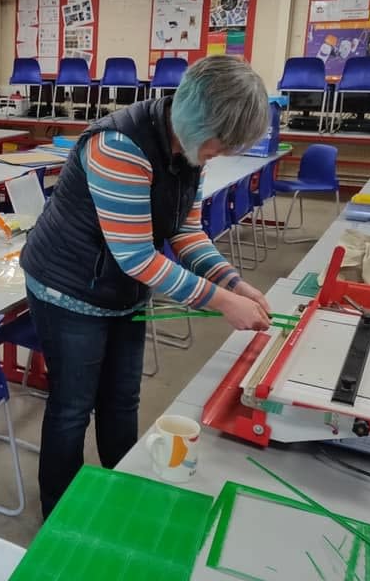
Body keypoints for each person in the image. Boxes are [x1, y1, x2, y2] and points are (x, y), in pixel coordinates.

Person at [19, 55, 273, 518]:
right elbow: (137, 257)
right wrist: (223, 303)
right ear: (201, 121)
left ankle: (126, 490)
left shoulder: (188, 147)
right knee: (73, 407)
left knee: (122, 398)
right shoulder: (119, 145)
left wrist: (233, 283)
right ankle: (60, 513)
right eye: (220, 145)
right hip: (68, 287)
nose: (220, 154)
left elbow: (185, 232)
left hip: (122, 289)